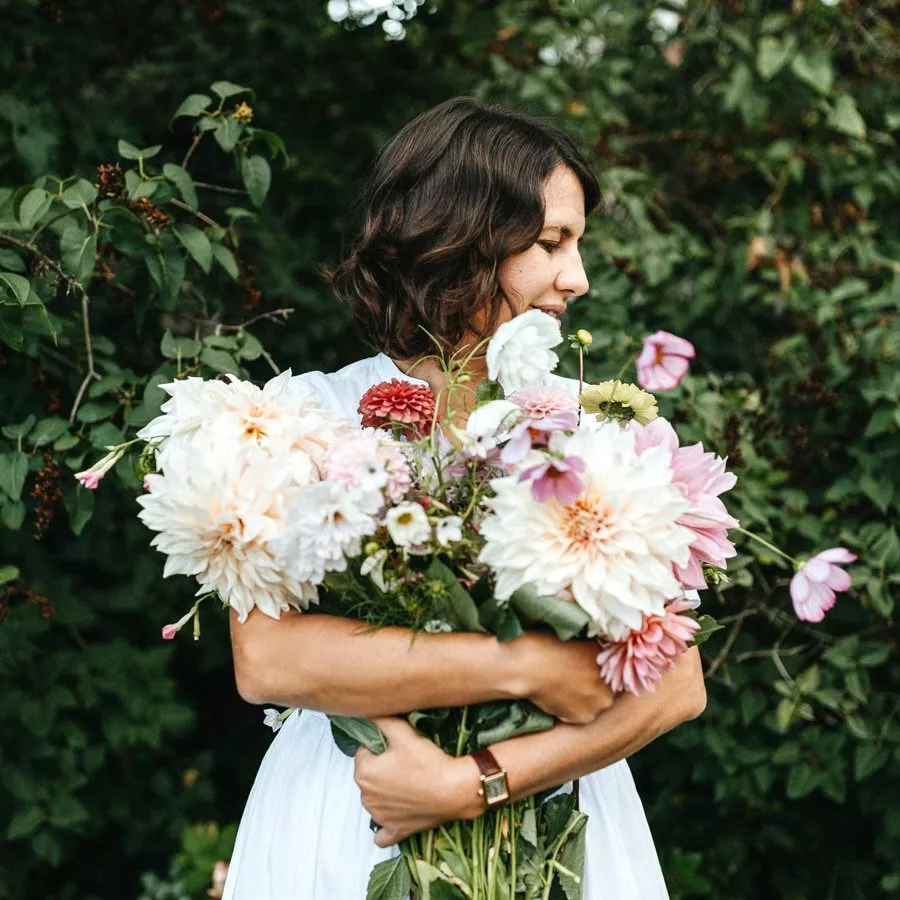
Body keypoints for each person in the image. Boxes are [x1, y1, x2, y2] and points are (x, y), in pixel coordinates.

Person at [222, 96, 706, 900]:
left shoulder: (588, 425)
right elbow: (267, 658)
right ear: (460, 236)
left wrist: (477, 781)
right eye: (552, 242)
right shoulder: (304, 418)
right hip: (351, 817)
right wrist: (522, 666)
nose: (577, 279)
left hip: (554, 824)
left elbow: (676, 685)